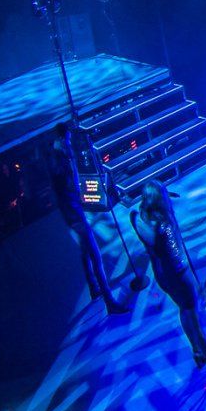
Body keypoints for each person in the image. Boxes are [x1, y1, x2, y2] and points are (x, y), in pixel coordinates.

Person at [131, 181, 206, 382]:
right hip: (178, 274)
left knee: (184, 310)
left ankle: (196, 351)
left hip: (163, 276)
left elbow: (137, 220)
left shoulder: (143, 217)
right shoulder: (162, 226)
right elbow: (173, 252)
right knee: (194, 316)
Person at [48, 130, 129, 314]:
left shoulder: (60, 160)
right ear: (59, 140)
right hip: (74, 214)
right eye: (66, 140)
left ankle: (94, 288)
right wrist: (70, 158)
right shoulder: (58, 162)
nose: (69, 143)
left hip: (74, 213)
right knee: (95, 255)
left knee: (86, 252)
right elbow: (69, 186)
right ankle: (110, 302)